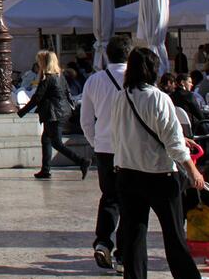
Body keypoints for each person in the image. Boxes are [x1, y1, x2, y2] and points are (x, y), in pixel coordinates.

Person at [110, 47, 205, 279]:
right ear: (153, 69)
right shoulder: (159, 98)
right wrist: (192, 170)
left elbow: (117, 135)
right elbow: (172, 141)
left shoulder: (120, 97)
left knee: (134, 236)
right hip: (159, 174)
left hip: (128, 173)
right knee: (173, 235)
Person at [79, 35, 128, 270]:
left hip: (105, 148)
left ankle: (103, 242)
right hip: (130, 149)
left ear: (107, 54)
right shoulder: (136, 79)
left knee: (109, 197)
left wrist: (96, 142)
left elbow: (86, 120)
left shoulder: (94, 81)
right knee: (130, 201)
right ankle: (123, 254)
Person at [18, 49, 89, 179]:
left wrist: (21, 112)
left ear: (44, 62)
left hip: (53, 114)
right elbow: (67, 93)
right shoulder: (60, 76)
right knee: (46, 140)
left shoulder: (47, 78)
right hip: (60, 112)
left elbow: (37, 98)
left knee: (56, 143)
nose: (38, 64)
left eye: (39, 61)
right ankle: (45, 169)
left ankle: (82, 161)